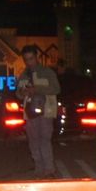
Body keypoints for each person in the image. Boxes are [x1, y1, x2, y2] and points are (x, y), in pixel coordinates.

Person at [16, 46, 60, 179]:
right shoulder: (23, 75)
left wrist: (37, 89)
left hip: (46, 111)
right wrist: (23, 92)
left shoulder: (47, 72)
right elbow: (18, 93)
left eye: (31, 58)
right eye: (26, 60)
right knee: (33, 140)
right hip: (30, 112)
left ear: (37, 57)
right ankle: (39, 168)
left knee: (45, 139)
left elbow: (56, 88)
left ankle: (49, 169)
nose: (29, 62)